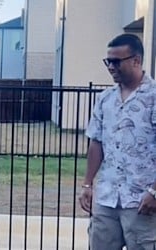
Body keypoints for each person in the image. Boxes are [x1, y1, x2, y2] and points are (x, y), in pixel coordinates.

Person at [79, 33, 156, 249]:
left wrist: (154, 192)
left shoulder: (153, 97)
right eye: (108, 61)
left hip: (142, 201)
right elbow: (97, 142)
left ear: (136, 60)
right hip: (107, 198)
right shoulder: (105, 99)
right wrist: (87, 183)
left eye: (116, 61)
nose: (111, 66)